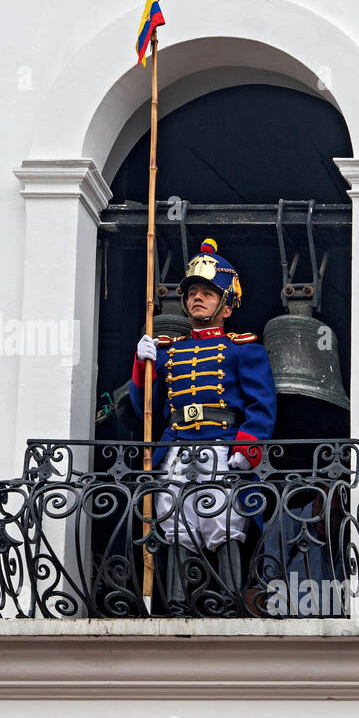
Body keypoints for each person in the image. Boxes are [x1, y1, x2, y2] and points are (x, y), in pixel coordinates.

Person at [128, 238, 277, 612]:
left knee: (224, 522)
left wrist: (247, 448)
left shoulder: (244, 349)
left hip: (222, 447)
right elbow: (144, 408)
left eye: (208, 293)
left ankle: (228, 598)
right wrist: (141, 366)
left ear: (226, 305)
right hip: (177, 447)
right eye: (193, 292)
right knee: (176, 522)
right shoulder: (170, 351)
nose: (198, 298)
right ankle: (178, 602)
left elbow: (262, 405)